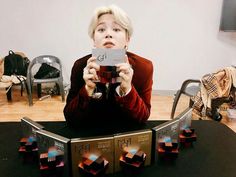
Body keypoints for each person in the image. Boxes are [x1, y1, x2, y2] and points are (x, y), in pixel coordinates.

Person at [64, 5, 153, 130]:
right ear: (93, 39)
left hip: (126, 136)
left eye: (116, 29)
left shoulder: (143, 67)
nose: (108, 34)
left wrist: (127, 89)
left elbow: (142, 118)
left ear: (127, 39)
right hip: (91, 134)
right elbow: (70, 118)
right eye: (101, 29)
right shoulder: (81, 66)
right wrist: (87, 89)